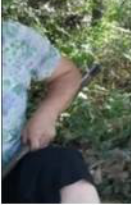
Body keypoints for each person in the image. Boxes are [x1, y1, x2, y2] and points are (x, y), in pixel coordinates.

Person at [2, 21, 101, 203]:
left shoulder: (12, 36)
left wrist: (47, 113)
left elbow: (66, 74)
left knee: (65, 164)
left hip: (12, 167)